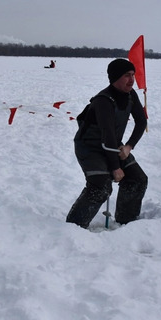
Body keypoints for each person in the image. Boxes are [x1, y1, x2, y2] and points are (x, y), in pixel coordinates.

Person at [66, 58, 148, 228]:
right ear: (115, 78)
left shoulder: (131, 95)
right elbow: (107, 135)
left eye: (133, 74)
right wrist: (115, 167)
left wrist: (129, 146)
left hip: (113, 145)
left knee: (138, 179)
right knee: (101, 186)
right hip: (89, 147)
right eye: (127, 75)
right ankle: (74, 225)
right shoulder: (103, 101)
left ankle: (126, 221)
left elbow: (141, 122)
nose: (132, 79)